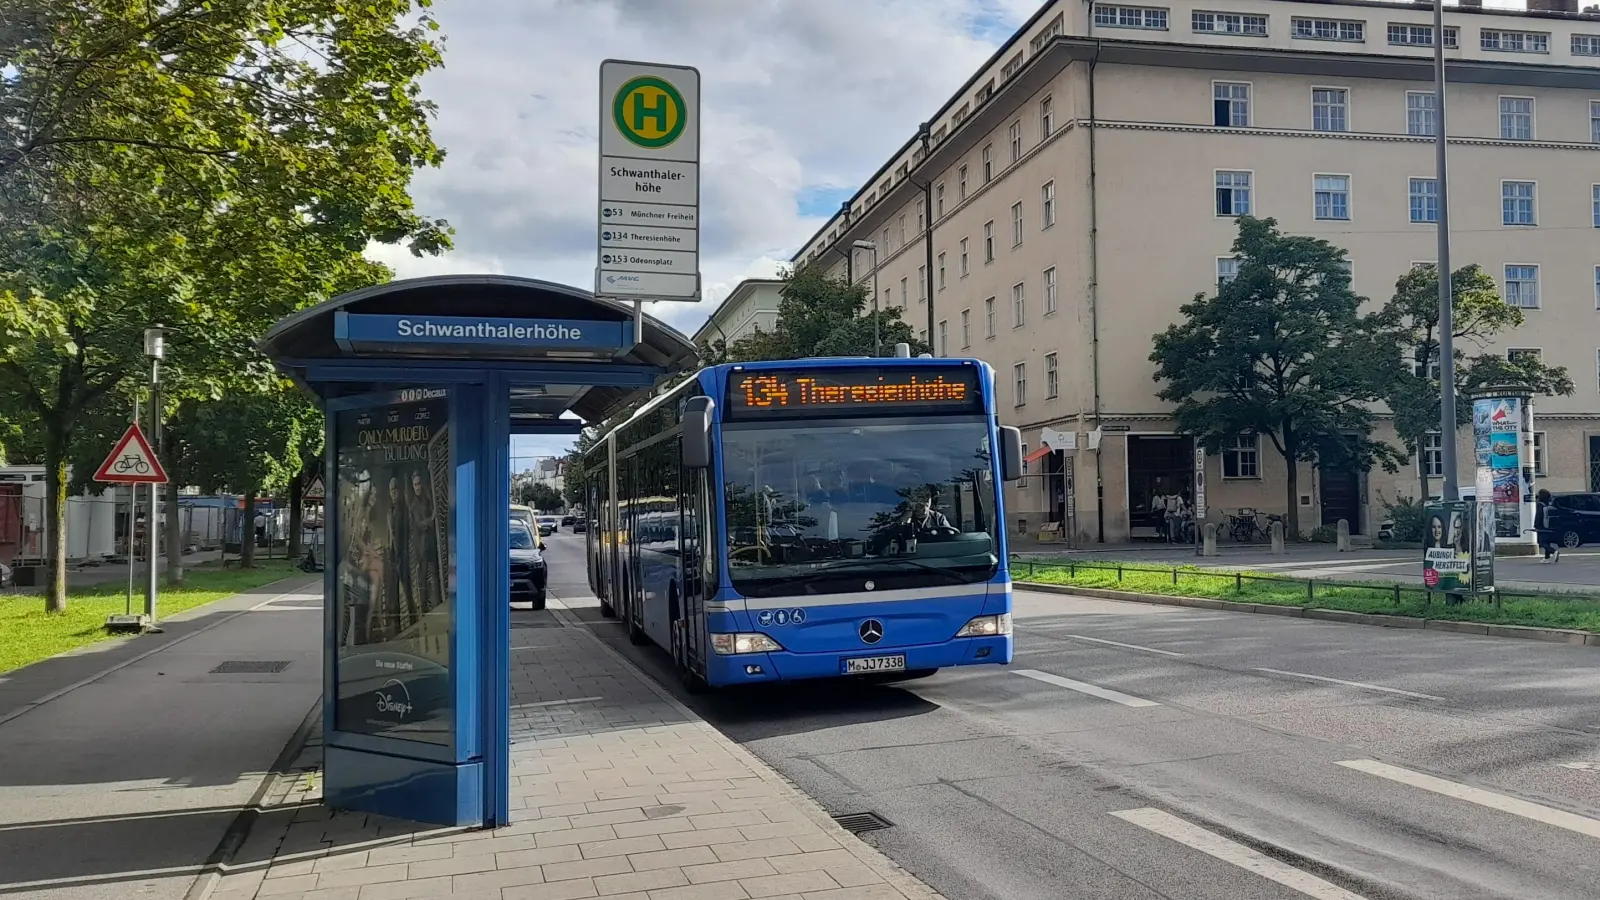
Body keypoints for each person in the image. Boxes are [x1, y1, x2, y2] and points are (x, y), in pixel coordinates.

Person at [1534, 489, 1560, 563]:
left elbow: (1538, 516)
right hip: (1548, 526)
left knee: (1541, 542)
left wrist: (1536, 525)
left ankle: (1554, 551)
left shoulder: (1540, 505)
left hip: (1542, 526)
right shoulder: (1547, 504)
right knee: (1546, 541)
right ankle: (1546, 558)